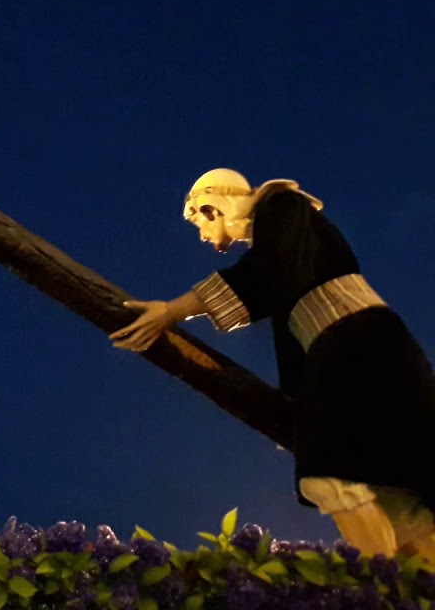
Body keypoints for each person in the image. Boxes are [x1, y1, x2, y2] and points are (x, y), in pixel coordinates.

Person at [110, 168, 435, 561]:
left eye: (199, 221)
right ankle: (410, 581)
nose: (202, 234)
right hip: (354, 352)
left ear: (213, 208)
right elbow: (274, 284)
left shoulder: (283, 207)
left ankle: (381, 580)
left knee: (334, 476)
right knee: (392, 482)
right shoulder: (287, 252)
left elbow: (266, 272)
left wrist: (173, 310)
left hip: (359, 348)